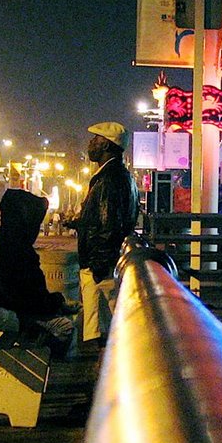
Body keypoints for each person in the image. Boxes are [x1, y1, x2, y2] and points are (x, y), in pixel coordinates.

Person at [0, 188, 80, 359]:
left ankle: (41, 363)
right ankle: (41, 366)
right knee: (64, 327)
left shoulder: (9, 243)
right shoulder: (14, 250)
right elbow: (23, 299)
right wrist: (55, 304)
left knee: (59, 318)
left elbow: (29, 294)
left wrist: (56, 303)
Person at [76, 121, 139, 345]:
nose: (90, 144)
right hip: (106, 258)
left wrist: (98, 266)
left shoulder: (107, 179)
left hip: (100, 262)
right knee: (104, 323)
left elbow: (108, 223)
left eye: (95, 140)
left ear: (107, 145)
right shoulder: (124, 177)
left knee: (107, 321)